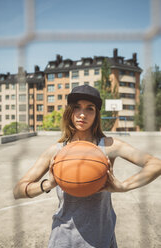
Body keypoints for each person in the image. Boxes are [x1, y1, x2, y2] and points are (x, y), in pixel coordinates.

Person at [13, 85, 161, 248]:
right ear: (70, 111)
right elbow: (18, 191)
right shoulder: (56, 151)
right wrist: (49, 183)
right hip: (63, 239)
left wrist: (123, 186)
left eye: (89, 109)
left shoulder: (109, 146)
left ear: (96, 114)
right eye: (77, 107)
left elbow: (155, 164)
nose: (82, 114)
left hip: (101, 240)